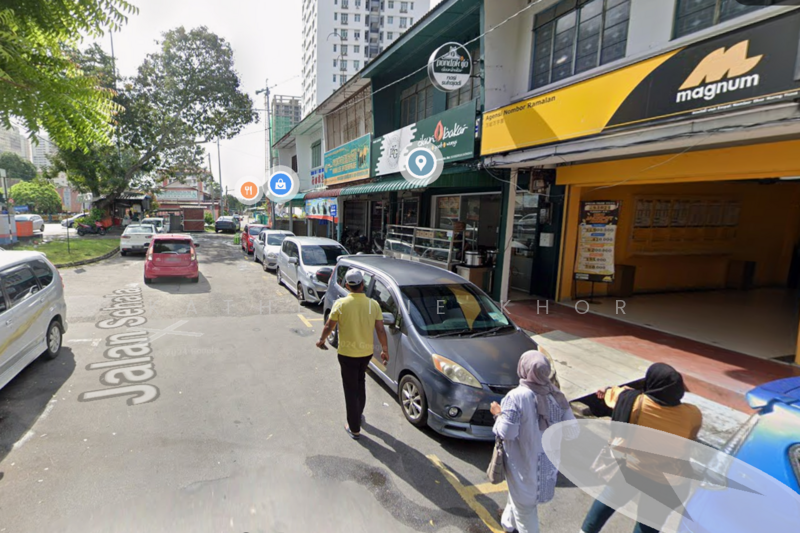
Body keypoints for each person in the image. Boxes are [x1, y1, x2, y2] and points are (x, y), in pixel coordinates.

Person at [580, 363, 703, 533]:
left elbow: (614, 393)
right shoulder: (693, 414)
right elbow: (690, 439)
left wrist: (605, 389)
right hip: (667, 480)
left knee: (608, 500)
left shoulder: (635, 403)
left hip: (632, 468)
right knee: (649, 523)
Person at [490, 350, 576, 533]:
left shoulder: (517, 397)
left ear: (523, 369)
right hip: (547, 469)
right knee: (519, 499)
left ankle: (513, 525)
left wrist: (498, 414)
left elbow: (507, 432)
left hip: (524, 469)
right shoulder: (557, 395)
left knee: (526, 515)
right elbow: (572, 431)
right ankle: (508, 524)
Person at [317, 269, 389, 440]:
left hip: (347, 354)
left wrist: (321, 340)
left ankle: (354, 427)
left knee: (350, 389)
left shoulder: (341, 304)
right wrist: (385, 350)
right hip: (365, 354)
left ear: (348, 286)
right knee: (360, 382)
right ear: (362, 284)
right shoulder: (373, 304)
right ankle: (358, 414)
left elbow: (329, 326)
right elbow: (380, 329)